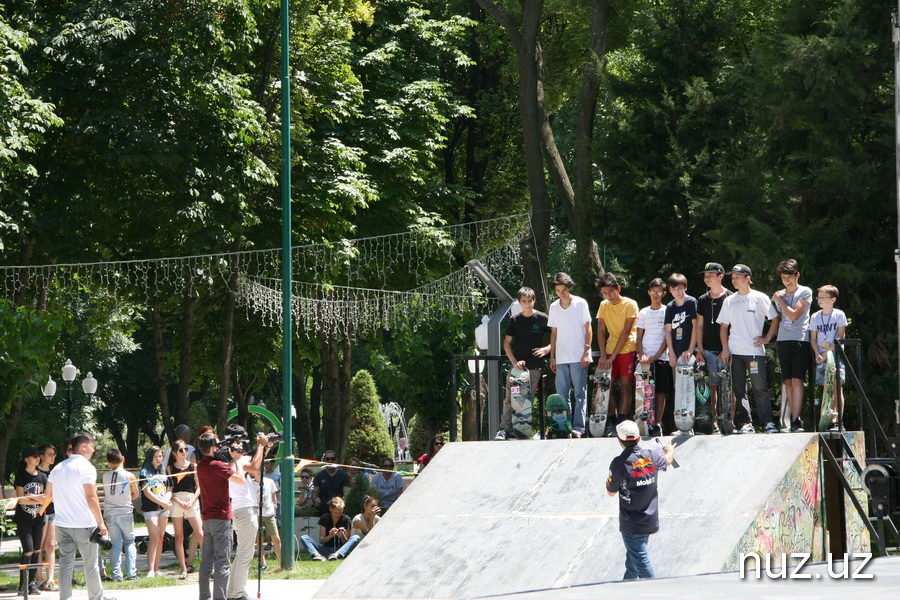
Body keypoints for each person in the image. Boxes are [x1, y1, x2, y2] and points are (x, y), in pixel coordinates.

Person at [45, 432, 115, 600]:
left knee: (65, 565)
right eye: (91, 445)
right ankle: (96, 597)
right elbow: (91, 497)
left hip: (62, 524)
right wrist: (101, 523)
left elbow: (48, 495)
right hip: (84, 523)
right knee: (90, 565)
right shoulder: (86, 467)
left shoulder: (58, 468)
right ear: (83, 446)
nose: (93, 449)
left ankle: (65, 597)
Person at [606, 421, 675, 580]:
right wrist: (669, 450)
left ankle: (655, 593)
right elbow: (668, 461)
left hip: (631, 523)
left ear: (619, 440)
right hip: (649, 519)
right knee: (633, 564)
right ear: (639, 439)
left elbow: (610, 491)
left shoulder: (619, 463)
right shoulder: (651, 455)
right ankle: (625, 591)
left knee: (642, 563)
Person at [718, 264, 781, 434]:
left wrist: (766, 338)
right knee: (739, 389)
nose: (734, 280)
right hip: (735, 352)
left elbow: (775, 319)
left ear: (748, 279)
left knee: (759, 388)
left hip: (754, 352)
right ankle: (746, 423)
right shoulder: (729, 300)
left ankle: (767, 422)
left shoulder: (760, 298)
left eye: (737, 277)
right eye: (732, 278)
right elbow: (723, 327)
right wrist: (725, 349)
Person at [195, 431, 247, 600]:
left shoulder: (201, 465)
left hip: (207, 518)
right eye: (216, 445)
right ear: (212, 448)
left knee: (206, 562)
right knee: (222, 563)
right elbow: (240, 480)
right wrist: (237, 461)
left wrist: (229, 459)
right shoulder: (217, 465)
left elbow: (221, 472)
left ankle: (204, 597)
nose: (219, 447)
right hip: (222, 518)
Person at [497, 286, 550, 440]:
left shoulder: (542, 318)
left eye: (530, 301)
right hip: (516, 368)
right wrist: (513, 361)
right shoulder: (515, 320)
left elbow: (556, 336)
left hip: (534, 366)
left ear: (534, 300)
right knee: (509, 399)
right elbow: (506, 343)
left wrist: (546, 350)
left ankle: (522, 431)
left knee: (527, 401)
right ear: (519, 302)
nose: (527, 304)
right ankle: (504, 429)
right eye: (524, 301)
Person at [547, 272, 593, 437]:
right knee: (562, 396)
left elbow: (588, 327)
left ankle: (579, 428)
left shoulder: (580, 303)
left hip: (578, 356)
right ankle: (563, 427)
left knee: (580, 394)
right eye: (558, 290)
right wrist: (552, 356)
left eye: (564, 290)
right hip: (561, 357)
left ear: (569, 287)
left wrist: (587, 351)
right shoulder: (553, 307)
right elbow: (554, 332)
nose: (561, 294)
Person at [225, 425, 267, 600]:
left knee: (242, 552)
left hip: (238, 508)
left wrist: (264, 448)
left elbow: (255, 464)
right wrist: (260, 446)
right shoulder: (237, 459)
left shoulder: (229, 458)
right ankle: (238, 593)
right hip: (245, 509)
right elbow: (256, 467)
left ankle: (233, 592)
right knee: (245, 554)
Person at [772, 259, 813, 432]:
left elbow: (795, 314)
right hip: (783, 340)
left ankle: (797, 419)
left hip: (800, 339)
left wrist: (781, 301)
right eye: (783, 278)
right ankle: (789, 419)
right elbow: (780, 317)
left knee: (797, 380)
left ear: (797, 275)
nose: (786, 281)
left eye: (789, 277)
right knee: (787, 380)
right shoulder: (779, 294)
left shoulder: (805, 292)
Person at [596, 273, 639, 434]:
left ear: (618, 289)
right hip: (608, 351)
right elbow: (600, 330)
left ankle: (622, 423)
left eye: (611, 292)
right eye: (605, 293)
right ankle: (613, 422)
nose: (608, 296)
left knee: (626, 386)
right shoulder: (603, 305)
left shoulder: (630, 304)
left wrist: (613, 356)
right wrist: (603, 354)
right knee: (607, 386)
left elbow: (627, 331)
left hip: (628, 349)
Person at [696, 263, 733, 432]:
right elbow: (699, 325)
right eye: (705, 275)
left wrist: (728, 349)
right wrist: (700, 347)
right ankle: (714, 423)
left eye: (711, 274)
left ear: (721, 276)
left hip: (729, 349)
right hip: (708, 349)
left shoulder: (731, 297)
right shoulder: (702, 300)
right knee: (713, 386)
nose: (707, 278)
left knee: (730, 386)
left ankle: (729, 420)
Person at [809, 285, 849, 430]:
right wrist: (817, 353)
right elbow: (813, 338)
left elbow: (840, 337)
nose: (819, 300)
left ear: (832, 299)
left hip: (835, 356)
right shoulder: (815, 316)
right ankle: (828, 419)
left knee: (838, 387)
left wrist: (826, 353)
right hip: (821, 357)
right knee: (826, 389)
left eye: (822, 297)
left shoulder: (839, 315)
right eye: (818, 297)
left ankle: (838, 420)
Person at [635, 278, 669, 436]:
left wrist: (656, 356)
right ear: (649, 292)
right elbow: (638, 337)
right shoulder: (643, 312)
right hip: (644, 360)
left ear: (664, 293)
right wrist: (642, 356)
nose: (656, 295)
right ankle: (642, 420)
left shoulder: (667, 311)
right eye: (653, 292)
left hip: (661, 358)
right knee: (643, 390)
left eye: (659, 292)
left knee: (660, 391)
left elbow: (667, 338)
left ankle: (657, 423)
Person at [15, 446, 48, 596]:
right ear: (26, 459)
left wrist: (34, 499)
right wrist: (38, 498)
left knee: (36, 550)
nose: (37, 458)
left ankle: (32, 583)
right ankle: (22, 585)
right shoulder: (21, 475)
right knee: (27, 550)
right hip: (24, 519)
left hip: (39, 518)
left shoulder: (42, 477)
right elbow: (21, 500)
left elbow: (47, 498)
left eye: (38, 456)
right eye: (34, 456)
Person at [167, 439, 203, 579]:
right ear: (175, 452)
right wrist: (177, 500)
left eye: (186, 449)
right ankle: (183, 568)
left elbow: (199, 487)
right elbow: (169, 488)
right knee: (179, 536)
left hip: (191, 500)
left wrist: (193, 500)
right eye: (181, 450)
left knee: (200, 533)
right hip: (176, 501)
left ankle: (208, 566)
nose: (184, 452)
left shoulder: (193, 466)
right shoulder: (170, 468)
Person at [102, 449, 139, 582]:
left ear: (108, 462)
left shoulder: (105, 476)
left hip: (110, 513)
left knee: (116, 544)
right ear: (123, 458)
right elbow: (135, 494)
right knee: (129, 542)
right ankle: (131, 573)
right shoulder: (129, 476)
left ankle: (117, 575)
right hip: (125, 512)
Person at [139, 445, 171, 577]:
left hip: (164, 509)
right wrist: (162, 502)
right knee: (154, 537)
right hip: (151, 509)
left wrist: (166, 501)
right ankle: (150, 570)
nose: (159, 459)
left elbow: (169, 489)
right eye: (156, 456)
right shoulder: (144, 472)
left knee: (161, 538)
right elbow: (146, 492)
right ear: (150, 457)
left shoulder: (164, 471)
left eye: (160, 456)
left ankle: (157, 569)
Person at [299, 497, 357, 561]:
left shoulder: (346, 519)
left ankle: (337, 555)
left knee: (355, 537)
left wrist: (342, 536)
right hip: (326, 549)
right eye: (335, 512)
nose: (337, 515)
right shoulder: (325, 518)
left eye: (340, 512)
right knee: (304, 538)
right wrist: (330, 536)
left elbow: (346, 543)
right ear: (330, 509)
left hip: (341, 550)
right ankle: (317, 555)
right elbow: (321, 540)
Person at [36, 443, 58, 591]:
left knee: (51, 545)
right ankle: (38, 579)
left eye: (54, 454)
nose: (52, 457)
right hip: (39, 513)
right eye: (49, 454)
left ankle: (50, 578)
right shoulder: (36, 473)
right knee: (39, 546)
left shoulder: (55, 473)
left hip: (53, 512)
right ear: (42, 456)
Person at [255, 470, 281, 571]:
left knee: (276, 538)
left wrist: (274, 506)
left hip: (269, 513)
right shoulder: (251, 483)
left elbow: (274, 498)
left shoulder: (269, 481)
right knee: (259, 539)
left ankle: (281, 562)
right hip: (257, 514)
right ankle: (262, 562)